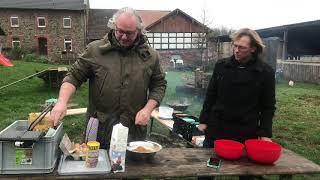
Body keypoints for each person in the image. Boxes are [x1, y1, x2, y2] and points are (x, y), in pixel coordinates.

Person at [50, 7, 167, 149]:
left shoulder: (151, 56)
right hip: (99, 129)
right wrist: (62, 102)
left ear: (139, 30)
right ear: (113, 26)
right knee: (94, 166)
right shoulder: (95, 50)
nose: (124, 37)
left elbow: (159, 84)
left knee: (134, 169)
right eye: (120, 31)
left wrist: (148, 110)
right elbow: (74, 76)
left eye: (129, 33)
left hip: (134, 129)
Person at [198, 28, 276, 148]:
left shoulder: (265, 72)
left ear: (253, 49)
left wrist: (265, 133)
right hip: (217, 130)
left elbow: (268, 106)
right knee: (210, 165)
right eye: (235, 46)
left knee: (240, 167)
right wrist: (203, 120)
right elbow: (211, 95)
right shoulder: (221, 66)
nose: (236, 50)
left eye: (242, 47)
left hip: (245, 132)